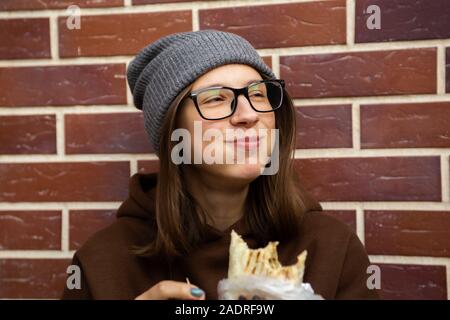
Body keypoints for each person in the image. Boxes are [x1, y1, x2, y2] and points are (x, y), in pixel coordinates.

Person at [61, 30, 379, 300]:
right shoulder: (102, 263)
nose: (248, 114)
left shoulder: (331, 250)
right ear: (173, 132)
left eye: (258, 94)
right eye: (215, 98)